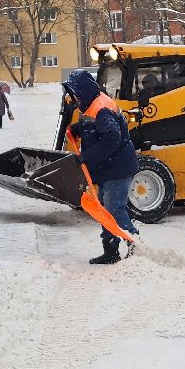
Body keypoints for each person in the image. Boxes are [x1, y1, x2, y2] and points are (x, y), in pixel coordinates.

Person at [61, 69, 138, 264]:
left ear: (83, 91)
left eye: (75, 94)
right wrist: (78, 129)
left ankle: (135, 247)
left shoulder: (102, 108)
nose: (74, 99)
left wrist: (86, 157)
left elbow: (111, 139)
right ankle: (111, 252)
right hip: (107, 168)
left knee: (114, 211)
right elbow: (94, 128)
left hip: (117, 168)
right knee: (105, 211)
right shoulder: (89, 105)